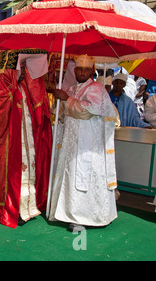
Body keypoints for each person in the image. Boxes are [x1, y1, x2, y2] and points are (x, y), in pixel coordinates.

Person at [50, 54, 118, 232]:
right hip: (71, 141)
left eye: (86, 69)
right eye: (79, 69)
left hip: (88, 144)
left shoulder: (96, 89)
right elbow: (63, 112)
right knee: (70, 173)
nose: (82, 72)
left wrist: (66, 99)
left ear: (92, 71)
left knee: (84, 175)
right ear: (75, 70)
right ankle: (67, 212)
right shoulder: (72, 88)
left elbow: (87, 111)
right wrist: (58, 103)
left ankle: (84, 216)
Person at [0, 58, 52, 228]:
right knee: (15, 168)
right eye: (21, 67)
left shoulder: (26, 87)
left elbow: (38, 105)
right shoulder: (4, 87)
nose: (23, 71)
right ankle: (14, 207)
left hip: (28, 137)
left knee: (30, 166)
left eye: (25, 68)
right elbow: (0, 110)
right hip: (12, 137)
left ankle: (29, 205)